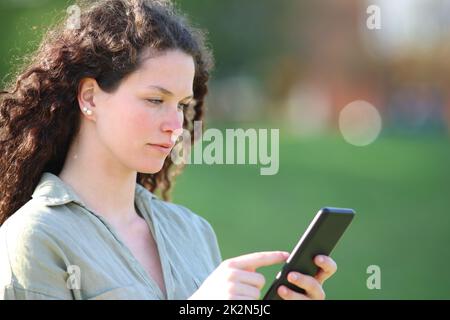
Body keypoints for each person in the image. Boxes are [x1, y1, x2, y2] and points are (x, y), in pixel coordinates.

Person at [0, 0, 337, 300]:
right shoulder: (35, 238)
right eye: (155, 100)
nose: (175, 126)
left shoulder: (192, 231)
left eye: (182, 105)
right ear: (89, 98)